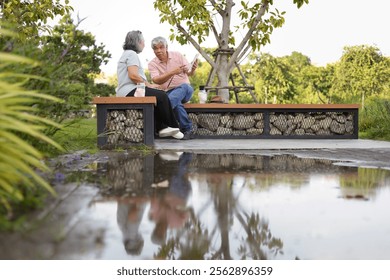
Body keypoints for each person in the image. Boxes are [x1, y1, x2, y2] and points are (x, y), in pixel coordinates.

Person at [116, 31, 184, 139]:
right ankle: (171, 126)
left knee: (156, 97)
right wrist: (149, 85)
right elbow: (133, 75)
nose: (144, 44)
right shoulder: (131, 54)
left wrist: (149, 86)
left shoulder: (127, 54)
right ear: (138, 42)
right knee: (161, 96)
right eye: (143, 41)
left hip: (129, 90)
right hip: (130, 90)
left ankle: (161, 128)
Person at [148, 36, 198, 140]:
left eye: (161, 47)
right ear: (153, 51)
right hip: (168, 92)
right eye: (155, 49)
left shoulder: (177, 55)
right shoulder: (152, 64)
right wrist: (172, 72)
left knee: (172, 98)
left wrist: (193, 69)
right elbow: (156, 80)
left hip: (185, 89)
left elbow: (189, 73)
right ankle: (188, 129)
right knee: (176, 103)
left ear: (166, 47)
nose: (159, 51)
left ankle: (159, 124)